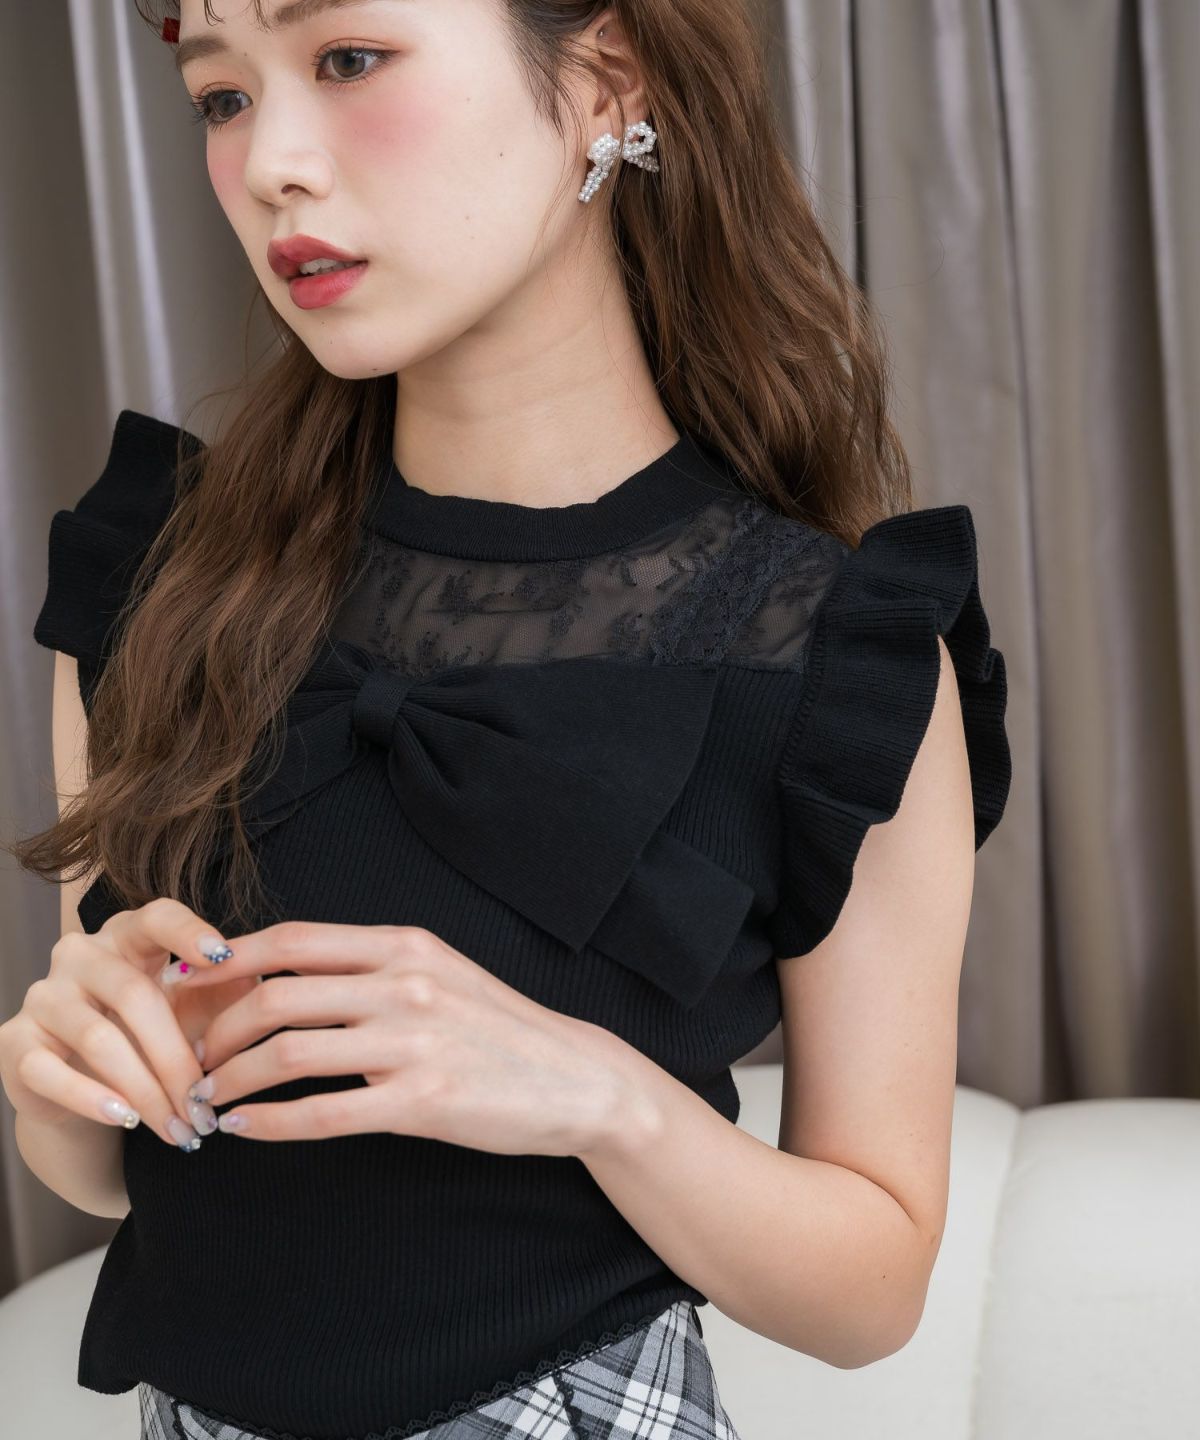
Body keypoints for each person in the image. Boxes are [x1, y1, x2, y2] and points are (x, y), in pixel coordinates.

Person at [0, 1, 1013, 1437]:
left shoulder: (833, 656)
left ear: (602, 83)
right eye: (221, 97)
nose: (272, 162)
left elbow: (871, 1293)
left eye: (347, 59)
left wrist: (596, 1096)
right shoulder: (153, 587)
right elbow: (111, 1175)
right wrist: (58, 1077)